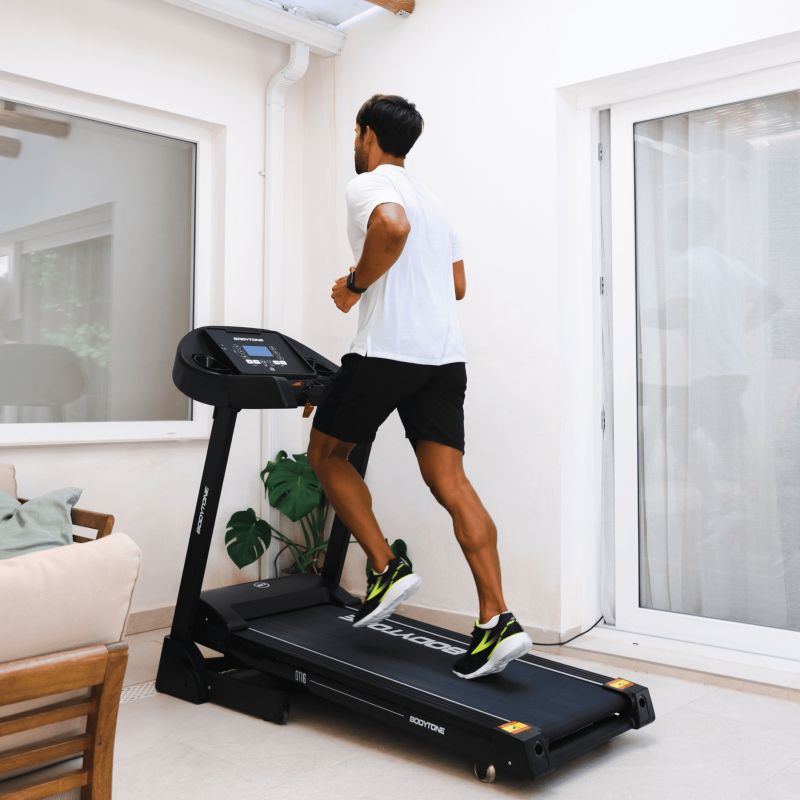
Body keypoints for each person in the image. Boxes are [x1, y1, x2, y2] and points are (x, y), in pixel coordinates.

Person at [307, 94, 531, 679]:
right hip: (443, 358)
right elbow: (456, 285)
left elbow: (391, 226)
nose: (354, 144)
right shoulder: (435, 201)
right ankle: (497, 618)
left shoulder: (370, 184)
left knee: (326, 455)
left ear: (367, 134)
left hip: (386, 351)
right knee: (451, 482)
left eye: (355, 134)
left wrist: (355, 285)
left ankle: (386, 568)